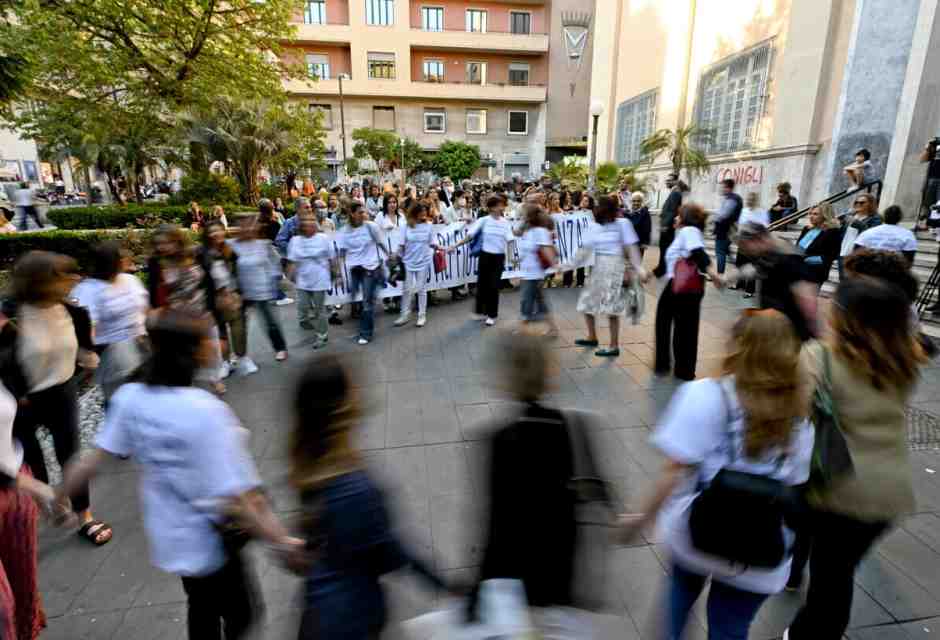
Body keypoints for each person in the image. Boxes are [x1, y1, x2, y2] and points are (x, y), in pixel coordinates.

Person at [57, 312, 304, 640]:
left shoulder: (131, 397)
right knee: (240, 613)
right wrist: (282, 542)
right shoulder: (205, 411)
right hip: (213, 536)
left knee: (200, 604)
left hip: (171, 535)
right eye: (209, 340)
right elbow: (244, 498)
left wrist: (59, 494)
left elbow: (92, 460)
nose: (215, 345)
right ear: (195, 352)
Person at [621, 309, 814, 640]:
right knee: (730, 627)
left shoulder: (706, 394)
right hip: (759, 547)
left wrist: (642, 518)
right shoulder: (800, 416)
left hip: (698, 534)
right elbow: (796, 483)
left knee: (678, 600)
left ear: (737, 346)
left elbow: (673, 470)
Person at [784, 276, 928, 640]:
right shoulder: (904, 360)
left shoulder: (819, 357)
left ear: (847, 317)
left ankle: (810, 633)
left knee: (830, 582)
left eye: (835, 303)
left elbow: (796, 411)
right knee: (838, 570)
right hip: (888, 496)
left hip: (841, 491)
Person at [291, 356, 448, 639]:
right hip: (351, 620)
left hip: (318, 611)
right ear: (343, 406)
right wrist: (446, 586)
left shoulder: (309, 462)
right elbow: (390, 553)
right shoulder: (356, 486)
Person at [7, 251, 114, 545]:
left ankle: (85, 517)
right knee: (31, 458)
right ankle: (49, 506)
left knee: (70, 455)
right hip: (21, 401)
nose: (74, 280)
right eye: (65, 275)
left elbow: (85, 346)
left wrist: (87, 357)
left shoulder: (73, 310)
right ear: (40, 282)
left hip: (62, 391)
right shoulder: (12, 315)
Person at [148, 225, 228, 394]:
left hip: (201, 311)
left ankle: (215, 379)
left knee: (211, 350)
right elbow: (155, 291)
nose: (161, 247)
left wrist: (217, 302)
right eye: (158, 244)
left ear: (177, 241)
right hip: (177, 318)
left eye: (166, 243)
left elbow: (209, 280)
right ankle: (188, 384)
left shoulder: (195, 254)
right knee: (184, 353)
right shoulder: (156, 263)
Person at [655, 204, 723, 380]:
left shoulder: (688, 231)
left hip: (680, 286)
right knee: (684, 327)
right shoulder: (688, 233)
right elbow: (672, 262)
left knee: (673, 324)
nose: (675, 218)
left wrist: (715, 275)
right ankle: (681, 369)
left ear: (685, 218)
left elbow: (699, 254)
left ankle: (669, 365)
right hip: (685, 285)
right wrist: (650, 273)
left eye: (678, 216)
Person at [76, 242, 149, 403]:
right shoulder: (88, 290)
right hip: (115, 354)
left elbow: (144, 309)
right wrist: (88, 355)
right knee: (121, 400)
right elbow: (87, 326)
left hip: (142, 346)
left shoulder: (130, 280)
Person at [573, 195, 646, 357]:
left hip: (615, 268)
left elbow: (631, 248)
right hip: (599, 267)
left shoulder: (623, 224)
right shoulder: (594, 227)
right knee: (586, 304)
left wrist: (639, 268)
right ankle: (592, 337)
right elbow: (585, 249)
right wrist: (570, 264)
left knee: (612, 309)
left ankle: (614, 346)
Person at [449, 195, 516, 327]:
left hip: (498, 258)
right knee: (482, 285)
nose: (501, 207)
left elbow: (510, 241)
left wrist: (512, 258)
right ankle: (480, 311)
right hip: (485, 257)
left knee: (494, 286)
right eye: (498, 205)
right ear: (491, 208)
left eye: (502, 205)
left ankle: (492, 315)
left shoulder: (505, 223)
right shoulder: (483, 220)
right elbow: (470, 235)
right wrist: (455, 245)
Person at [200, 220, 255, 378]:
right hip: (214, 298)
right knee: (221, 331)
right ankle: (225, 362)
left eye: (218, 230)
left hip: (234, 295)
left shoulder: (230, 251)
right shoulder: (202, 254)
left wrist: (242, 293)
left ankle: (242, 357)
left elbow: (239, 273)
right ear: (207, 235)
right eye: (212, 231)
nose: (216, 234)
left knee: (239, 328)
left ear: (224, 232)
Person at [338, 202, 389, 345]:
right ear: (352, 214)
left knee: (367, 302)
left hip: (371, 268)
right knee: (354, 297)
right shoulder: (344, 231)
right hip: (355, 269)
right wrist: (340, 274)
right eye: (360, 212)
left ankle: (365, 333)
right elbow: (341, 253)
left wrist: (389, 257)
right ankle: (363, 325)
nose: (364, 215)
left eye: (364, 212)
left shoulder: (371, 226)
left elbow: (381, 243)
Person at [287, 209, 337, 349]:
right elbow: (291, 261)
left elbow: (332, 258)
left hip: (320, 279)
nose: (308, 224)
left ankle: (322, 335)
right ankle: (305, 320)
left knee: (319, 309)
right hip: (302, 281)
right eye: (305, 222)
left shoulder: (323, 238)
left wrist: (336, 273)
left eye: (311, 221)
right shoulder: (295, 241)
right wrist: (290, 277)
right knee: (302, 306)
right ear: (301, 225)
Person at [394, 203, 443, 328]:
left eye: (425, 211)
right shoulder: (406, 226)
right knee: (406, 289)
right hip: (408, 261)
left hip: (424, 261)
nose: (424, 214)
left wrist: (441, 247)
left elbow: (432, 243)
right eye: (421, 212)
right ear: (415, 213)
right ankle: (404, 315)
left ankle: (422, 315)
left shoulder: (429, 226)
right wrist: (394, 257)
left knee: (421, 289)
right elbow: (401, 245)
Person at [515, 204, 559, 336]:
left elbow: (546, 249)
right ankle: (552, 329)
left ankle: (522, 328)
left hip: (534, 274)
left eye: (523, 215)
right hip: (528, 272)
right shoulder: (529, 231)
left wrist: (556, 267)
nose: (521, 217)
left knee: (526, 301)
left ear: (529, 217)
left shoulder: (540, 231)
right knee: (540, 301)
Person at [795, 203, 842, 288]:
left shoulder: (832, 232)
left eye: (815, 214)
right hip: (798, 269)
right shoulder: (807, 229)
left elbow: (831, 255)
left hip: (815, 272)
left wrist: (806, 260)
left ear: (825, 215)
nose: (811, 216)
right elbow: (797, 246)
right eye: (810, 213)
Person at [838, 192, 882, 276]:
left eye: (862, 203)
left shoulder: (875, 218)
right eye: (856, 202)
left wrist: (856, 223)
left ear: (870, 204)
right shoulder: (850, 215)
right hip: (843, 252)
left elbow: (871, 234)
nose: (858, 204)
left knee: (854, 280)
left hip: (858, 254)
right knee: (843, 280)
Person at [653, 173, 684, 278]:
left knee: (665, 248)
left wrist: (665, 225)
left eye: (670, 180)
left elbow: (672, 211)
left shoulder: (675, 193)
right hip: (667, 225)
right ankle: (662, 268)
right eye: (667, 180)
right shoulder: (674, 192)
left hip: (668, 226)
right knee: (664, 248)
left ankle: (662, 269)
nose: (667, 182)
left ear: (676, 181)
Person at [563, 194, 594, 288]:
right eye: (583, 200)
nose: (584, 202)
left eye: (586, 201)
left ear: (589, 203)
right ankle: (567, 281)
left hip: (583, 240)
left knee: (581, 261)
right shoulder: (573, 210)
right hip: (572, 239)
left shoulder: (590, 213)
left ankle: (580, 281)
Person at [713, 178, 743, 275]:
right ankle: (738, 272)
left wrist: (715, 218)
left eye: (723, 187)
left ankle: (720, 275)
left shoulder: (732, 199)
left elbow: (724, 215)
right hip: (727, 230)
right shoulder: (731, 198)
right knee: (725, 251)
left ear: (729, 188)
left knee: (720, 252)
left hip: (725, 230)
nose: (721, 189)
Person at [626, 193, 652, 257]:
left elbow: (647, 229)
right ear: (631, 201)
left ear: (642, 202)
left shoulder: (645, 213)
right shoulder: (627, 212)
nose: (636, 203)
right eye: (634, 201)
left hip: (638, 243)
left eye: (638, 201)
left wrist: (645, 243)